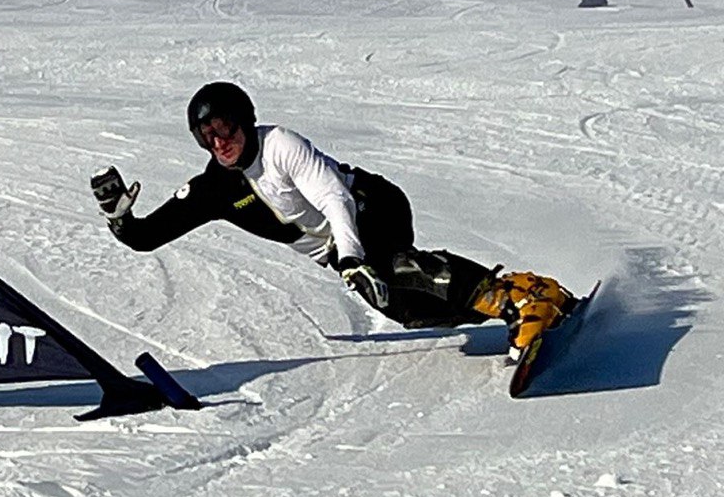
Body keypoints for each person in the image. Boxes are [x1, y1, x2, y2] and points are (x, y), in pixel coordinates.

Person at [90, 82, 576, 360]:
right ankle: (528, 291)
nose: (220, 143)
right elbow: (147, 236)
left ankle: (517, 306)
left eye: (227, 129)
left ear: (245, 120)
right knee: (407, 310)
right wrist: (119, 217)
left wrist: (351, 256)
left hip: (370, 207)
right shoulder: (214, 188)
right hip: (339, 251)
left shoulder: (280, 144)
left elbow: (332, 197)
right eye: (207, 136)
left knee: (395, 267)